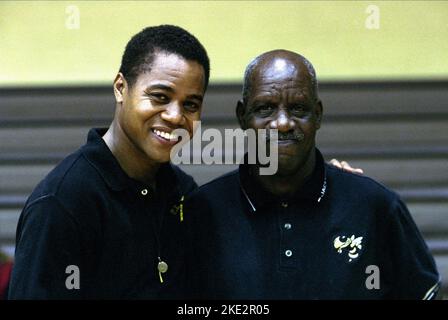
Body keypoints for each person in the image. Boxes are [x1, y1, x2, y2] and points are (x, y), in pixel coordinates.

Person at [187, 49, 440, 299]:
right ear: (242, 117)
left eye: (297, 108)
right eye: (265, 108)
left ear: (317, 115)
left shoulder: (375, 206)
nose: (283, 123)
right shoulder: (203, 212)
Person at [8, 25, 210, 299]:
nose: (175, 117)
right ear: (120, 88)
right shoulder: (63, 203)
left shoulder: (182, 194)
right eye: (160, 97)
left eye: (190, 105)